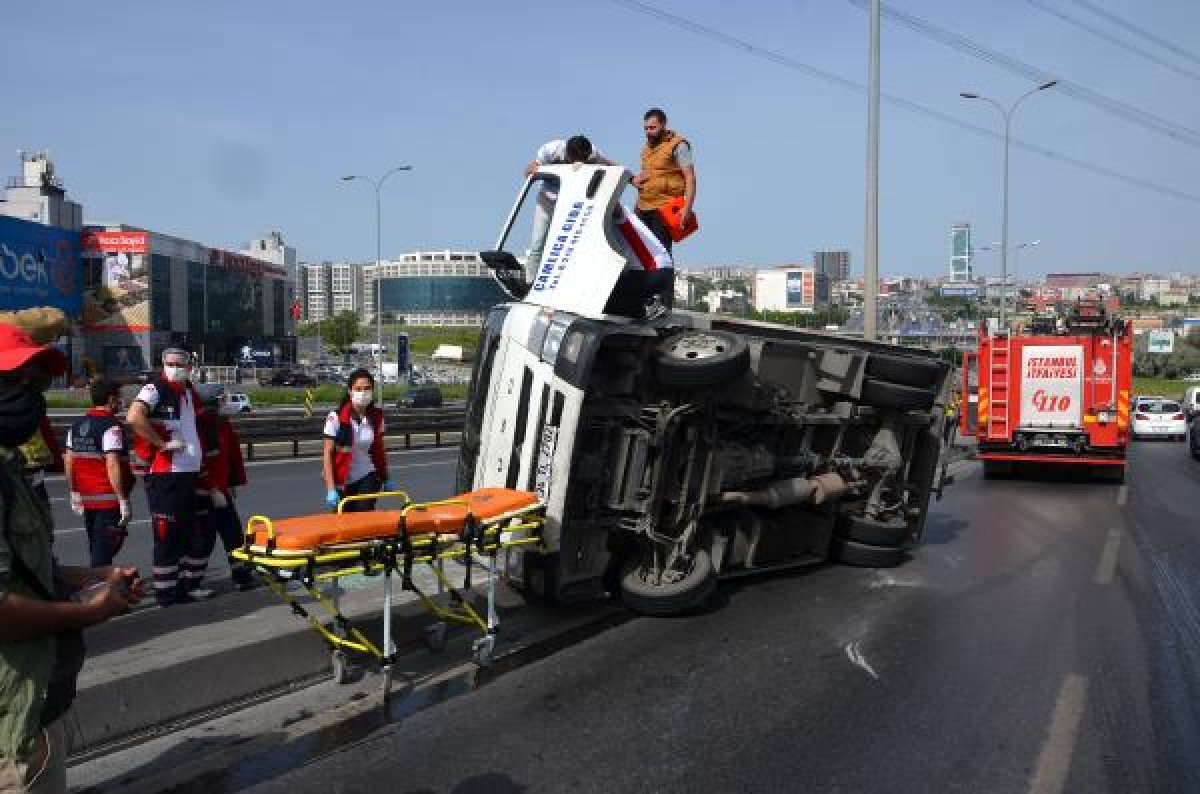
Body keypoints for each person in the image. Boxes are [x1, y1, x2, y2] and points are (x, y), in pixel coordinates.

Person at [0, 322, 143, 794]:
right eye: (12, 381)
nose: (28, 396)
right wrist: (89, 611)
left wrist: (95, 576)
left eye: (36, 384)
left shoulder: (10, 470)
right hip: (10, 732)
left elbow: (26, 572)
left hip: (31, 705)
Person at [126, 348, 204, 607]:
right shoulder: (156, 388)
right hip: (166, 473)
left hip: (185, 472)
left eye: (179, 364)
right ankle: (165, 593)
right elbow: (134, 417)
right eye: (170, 364)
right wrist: (161, 444)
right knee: (167, 534)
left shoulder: (188, 391)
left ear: (189, 367)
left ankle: (177, 588)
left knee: (183, 533)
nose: (174, 368)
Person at [523, 135, 614, 282]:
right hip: (547, 200)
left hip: (571, 201)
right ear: (568, 153)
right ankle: (530, 282)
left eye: (583, 159)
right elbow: (529, 170)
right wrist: (535, 170)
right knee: (538, 243)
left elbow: (610, 165)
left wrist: (632, 179)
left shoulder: (593, 153)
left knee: (570, 245)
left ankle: (569, 281)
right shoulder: (552, 149)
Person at [64, 380, 133, 568]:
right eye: (119, 397)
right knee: (103, 553)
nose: (121, 401)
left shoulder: (76, 425)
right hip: (108, 500)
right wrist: (122, 499)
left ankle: (100, 580)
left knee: (96, 546)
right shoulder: (111, 426)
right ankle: (99, 584)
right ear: (111, 399)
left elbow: (69, 460)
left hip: (87, 499)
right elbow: (112, 464)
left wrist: (73, 491)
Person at [193, 392, 253, 591]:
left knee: (233, 535)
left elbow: (231, 456)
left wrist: (231, 483)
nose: (225, 407)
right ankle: (192, 583)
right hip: (204, 493)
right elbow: (198, 462)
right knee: (204, 539)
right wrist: (211, 489)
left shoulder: (222, 424)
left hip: (221, 489)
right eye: (222, 402)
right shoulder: (200, 427)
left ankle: (242, 576)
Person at [322, 369, 394, 513]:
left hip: (367, 474)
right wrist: (330, 488)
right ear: (350, 391)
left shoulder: (377, 417)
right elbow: (328, 454)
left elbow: (380, 450)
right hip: (342, 479)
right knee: (343, 518)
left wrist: (386, 478)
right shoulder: (336, 418)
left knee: (363, 509)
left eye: (367, 388)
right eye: (358, 389)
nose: (363, 392)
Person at [632, 107, 696, 255]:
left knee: (661, 254)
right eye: (646, 128)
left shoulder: (679, 145)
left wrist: (687, 208)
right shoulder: (646, 149)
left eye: (652, 128)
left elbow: (690, 177)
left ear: (663, 125)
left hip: (664, 208)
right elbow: (647, 180)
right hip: (643, 208)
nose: (648, 132)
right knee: (640, 255)